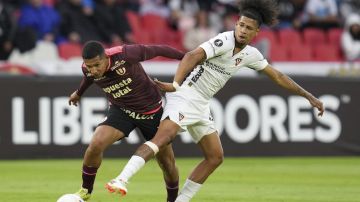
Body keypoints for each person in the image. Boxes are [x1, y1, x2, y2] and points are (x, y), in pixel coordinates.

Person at [105, 0, 325, 201]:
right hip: (185, 94)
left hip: (201, 103)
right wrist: (175, 84)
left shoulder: (251, 54)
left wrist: (309, 96)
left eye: (249, 28)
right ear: (236, 23)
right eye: (241, 25)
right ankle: (121, 179)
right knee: (163, 138)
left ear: (256, 32)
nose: (243, 30)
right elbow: (192, 55)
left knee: (215, 157)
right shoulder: (224, 40)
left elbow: (278, 76)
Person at [68, 41, 184, 202]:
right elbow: (88, 78)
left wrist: (187, 58)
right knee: (96, 143)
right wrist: (79, 93)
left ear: (105, 57)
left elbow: (159, 49)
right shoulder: (87, 69)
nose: (93, 70)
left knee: (167, 163)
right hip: (121, 110)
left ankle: (172, 200)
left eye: (97, 65)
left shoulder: (125, 54)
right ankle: (85, 191)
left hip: (152, 112)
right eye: (89, 66)